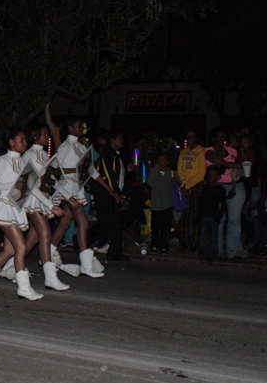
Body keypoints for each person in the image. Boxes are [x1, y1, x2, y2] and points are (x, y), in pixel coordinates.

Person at [0, 127, 45, 300]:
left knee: (9, 250)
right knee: (21, 247)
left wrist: (51, 206)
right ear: (11, 142)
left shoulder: (24, 162)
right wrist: (13, 185)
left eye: (25, 140)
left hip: (16, 209)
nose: (25, 143)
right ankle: (24, 288)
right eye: (21, 140)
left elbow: (32, 188)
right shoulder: (2, 160)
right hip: (4, 208)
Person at [50, 119, 119, 277]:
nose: (80, 128)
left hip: (77, 187)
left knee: (65, 223)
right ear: (70, 128)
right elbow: (53, 169)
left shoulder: (82, 147)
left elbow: (92, 171)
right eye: (77, 126)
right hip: (68, 188)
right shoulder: (65, 147)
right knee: (83, 222)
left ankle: (47, 255)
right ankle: (86, 266)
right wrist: (67, 175)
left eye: (81, 126)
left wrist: (110, 190)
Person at [18, 122, 70, 289]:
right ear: (35, 136)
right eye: (44, 134)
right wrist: (50, 205)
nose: (48, 137)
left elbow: (50, 180)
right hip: (33, 200)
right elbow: (29, 185)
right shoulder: (28, 155)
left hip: (42, 199)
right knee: (46, 233)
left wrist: (68, 197)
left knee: (32, 239)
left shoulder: (44, 155)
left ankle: (9, 267)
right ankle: (50, 278)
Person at [90, 129, 136, 261]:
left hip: (109, 193)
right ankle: (83, 240)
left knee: (113, 223)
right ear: (113, 141)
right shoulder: (109, 154)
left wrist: (127, 171)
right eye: (120, 139)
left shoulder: (114, 154)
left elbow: (116, 175)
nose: (122, 141)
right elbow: (108, 177)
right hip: (105, 193)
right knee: (108, 222)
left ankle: (114, 252)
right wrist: (118, 195)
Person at [204, 128, 246, 260]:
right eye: (220, 137)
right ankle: (216, 250)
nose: (222, 139)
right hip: (219, 186)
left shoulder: (231, 150)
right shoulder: (209, 151)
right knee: (219, 219)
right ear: (213, 138)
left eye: (224, 136)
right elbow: (224, 163)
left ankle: (234, 252)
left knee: (234, 220)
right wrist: (240, 166)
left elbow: (243, 156)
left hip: (236, 186)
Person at [146, 152, 182, 254]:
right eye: (159, 160)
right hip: (156, 204)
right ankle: (154, 245)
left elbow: (179, 184)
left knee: (166, 228)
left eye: (163, 160)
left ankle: (164, 246)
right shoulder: (155, 171)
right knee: (155, 227)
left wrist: (175, 181)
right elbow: (149, 182)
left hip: (167, 204)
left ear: (167, 162)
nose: (161, 162)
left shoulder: (171, 173)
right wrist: (156, 169)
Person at [177, 131, 206, 252]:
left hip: (195, 186)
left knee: (195, 215)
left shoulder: (202, 151)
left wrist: (188, 186)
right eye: (188, 137)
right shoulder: (183, 152)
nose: (190, 139)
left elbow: (201, 173)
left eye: (192, 136)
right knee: (184, 215)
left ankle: (194, 242)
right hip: (184, 186)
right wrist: (182, 185)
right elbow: (179, 169)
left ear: (197, 138)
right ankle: (183, 242)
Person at [198, 166, 227, 263]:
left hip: (214, 216)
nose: (210, 177)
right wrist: (199, 214)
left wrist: (219, 216)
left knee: (214, 237)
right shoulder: (205, 187)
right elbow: (201, 202)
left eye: (212, 175)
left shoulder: (220, 189)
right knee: (203, 236)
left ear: (218, 177)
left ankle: (213, 255)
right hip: (204, 215)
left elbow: (223, 204)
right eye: (209, 175)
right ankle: (202, 254)